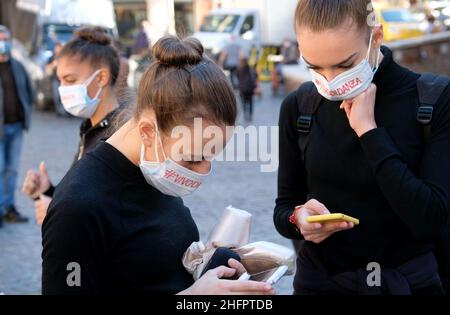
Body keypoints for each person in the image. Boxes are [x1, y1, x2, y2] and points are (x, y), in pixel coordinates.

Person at [41, 35, 275, 295]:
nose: (204, 170)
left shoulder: (152, 170)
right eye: (194, 157)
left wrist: (209, 267)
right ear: (148, 131)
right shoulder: (79, 205)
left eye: (212, 155)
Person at [274, 0, 450, 295]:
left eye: (344, 65)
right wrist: (298, 220)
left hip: (408, 285)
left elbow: (432, 220)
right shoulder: (300, 106)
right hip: (322, 283)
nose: (331, 83)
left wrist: (368, 131)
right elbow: (284, 207)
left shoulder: (433, 100)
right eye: (314, 67)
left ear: (376, 38)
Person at [22, 27, 122, 226]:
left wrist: (57, 214)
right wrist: (49, 191)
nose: (63, 89)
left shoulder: (121, 135)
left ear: (101, 78)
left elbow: (118, 214)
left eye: (70, 80)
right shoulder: (89, 127)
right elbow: (83, 194)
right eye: (59, 80)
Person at [0, 25, 35, 228]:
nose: (2, 42)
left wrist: (25, 115)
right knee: (1, 168)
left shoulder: (18, 66)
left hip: (16, 128)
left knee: (12, 170)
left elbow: (29, 92)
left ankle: (8, 208)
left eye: (5, 38)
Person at [237, 57, 257, 122]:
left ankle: (245, 114)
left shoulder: (239, 69)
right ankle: (250, 115)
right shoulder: (250, 69)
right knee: (250, 102)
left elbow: (237, 77)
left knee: (244, 102)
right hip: (250, 88)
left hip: (242, 89)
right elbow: (256, 75)